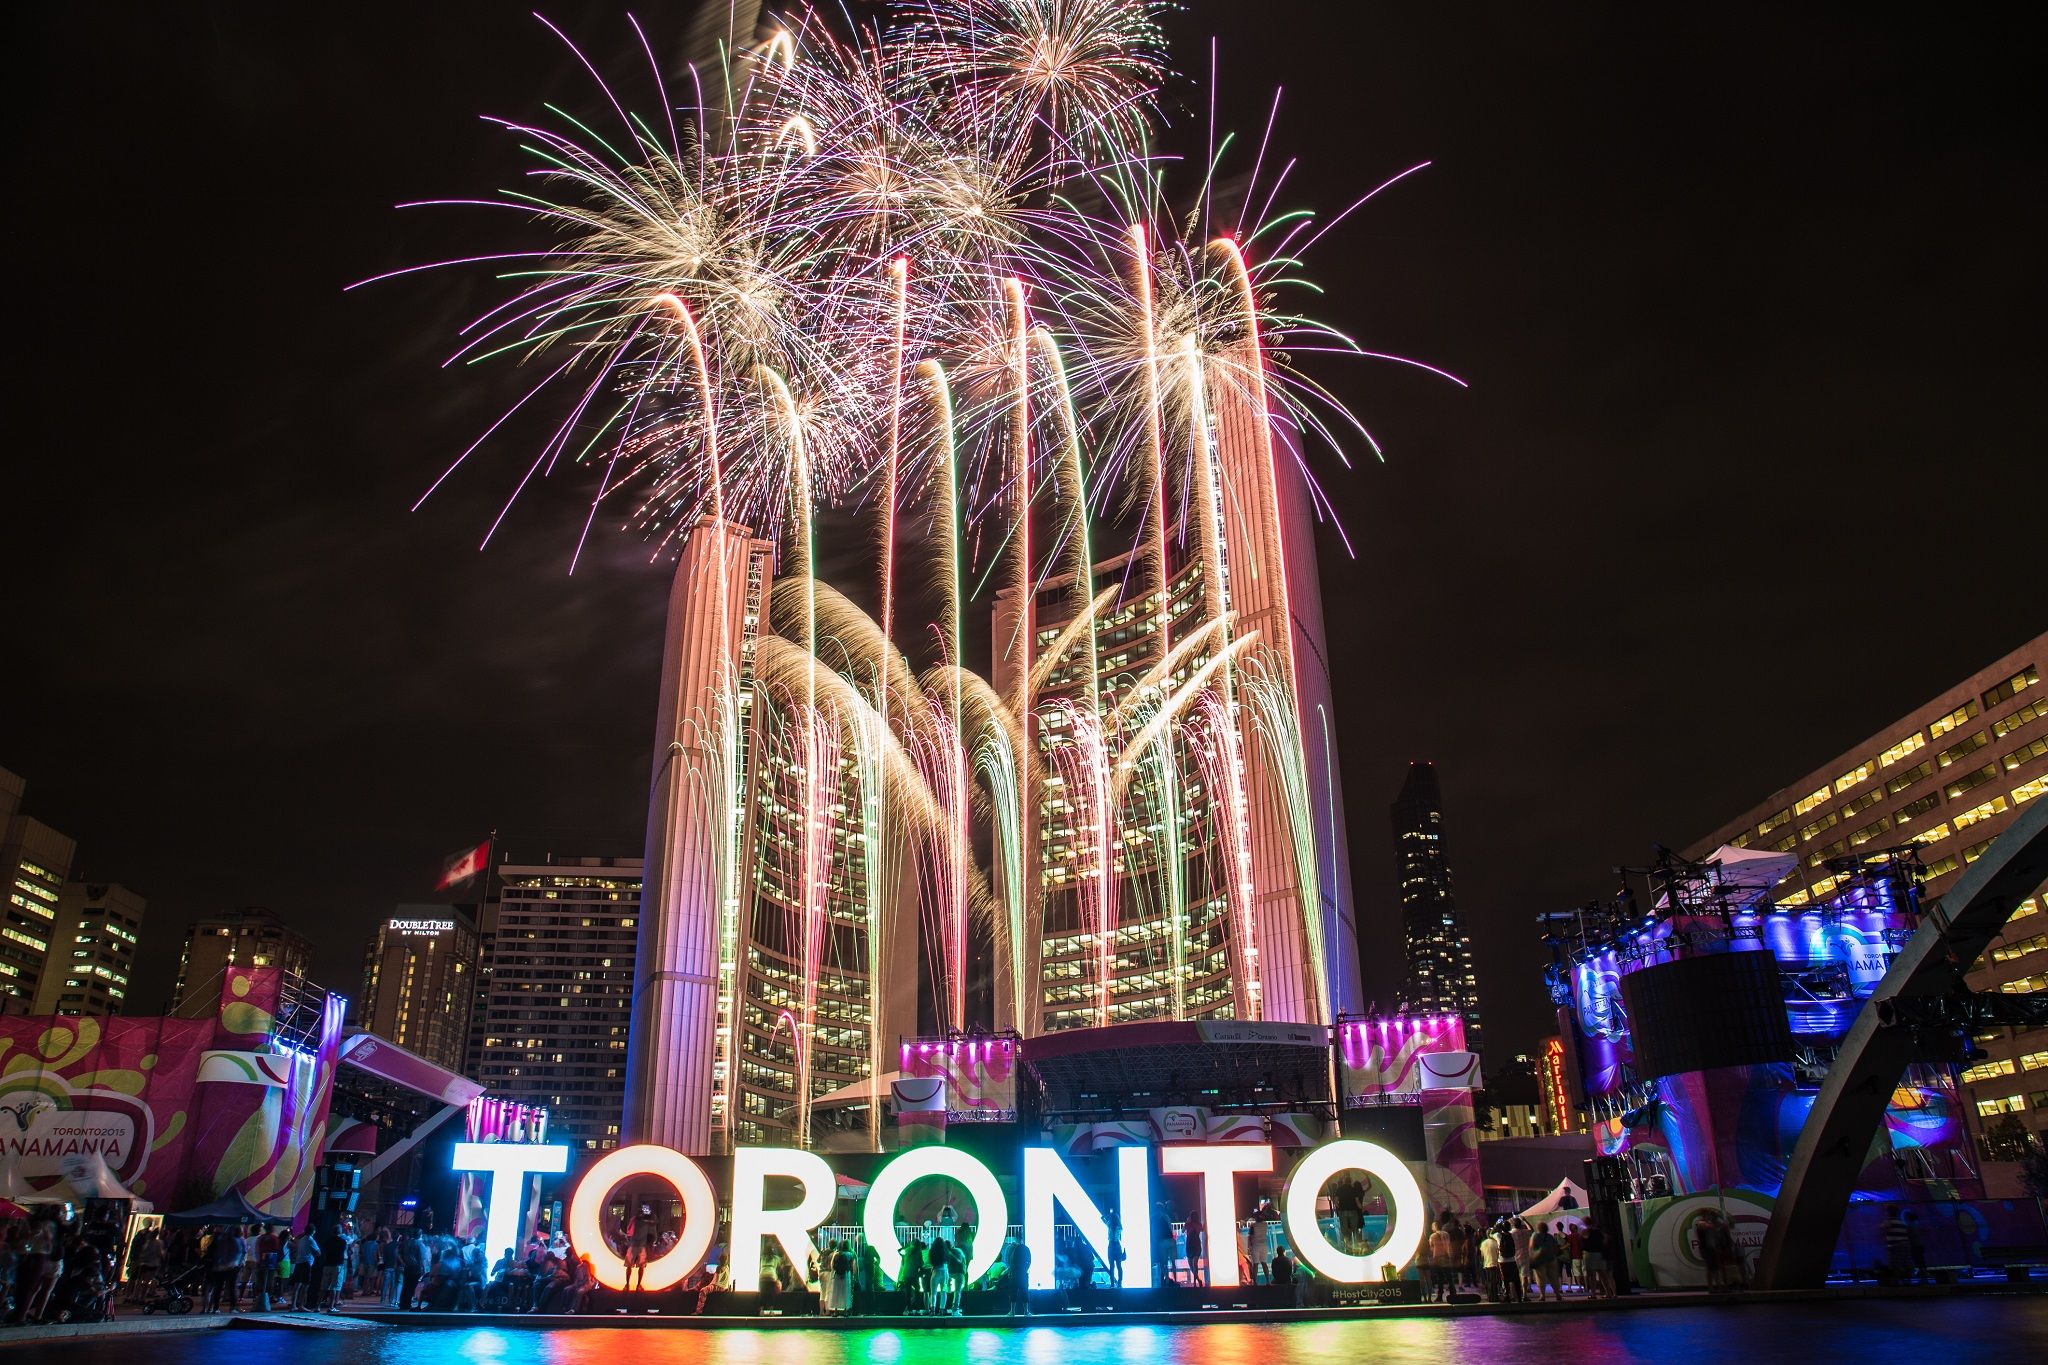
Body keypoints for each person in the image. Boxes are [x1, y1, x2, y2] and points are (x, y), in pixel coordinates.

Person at [1529, 1222, 1561, 1302]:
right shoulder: (1550, 1236)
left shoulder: (1535, 1236)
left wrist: (1532, 1257)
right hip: (1551, 1259)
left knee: (1541, 1278)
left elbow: (1531, 1247)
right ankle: (1557, 1294)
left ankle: (1542, 1295)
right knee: (1554, 1278)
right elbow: (1555, 1248)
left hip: (1540, 1260)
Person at [1582, 1223, 1613, 1300]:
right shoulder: (1599, 1233)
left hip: (1591, 1254)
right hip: (1600, 1254)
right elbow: (1606, 1239)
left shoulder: (1587, 1231)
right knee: (1603, 1275)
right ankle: (1608, 1293)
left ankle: (1593, 1294)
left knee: (1592, 1276)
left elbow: (1584, 1240)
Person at [1495, 1219, 1521, 1303]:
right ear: (1509, 1227)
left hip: (1502, 1261)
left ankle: (1507, 1296)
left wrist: (1498, 1226)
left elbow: (1491, 1233)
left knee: (1505, 1279)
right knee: (1516, 1279)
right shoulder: (1512, 1235)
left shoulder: (1498, 1235)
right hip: (1512, 1259)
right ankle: (1519, 1297)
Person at [1005, 1236, 1031, 1316]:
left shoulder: (1011, 1248)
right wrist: (1025, 1269)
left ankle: (1013, 1312)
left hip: (1015, 1273)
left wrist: (1010, 1270)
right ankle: (1025, 1311)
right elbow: (1029, 1261)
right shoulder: (1025, 1248)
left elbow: (1008, 1260)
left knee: (1013, 1292)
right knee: (1024, 1292)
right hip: (1022, 1273)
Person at [1479, 1225, 1501, 1301]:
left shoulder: (1483, 1243)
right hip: (1495, 1264)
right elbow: (1498, 1253)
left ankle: (1490, 1297)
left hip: (1486, 1264)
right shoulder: (1495, 1243)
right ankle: (1495, 1297)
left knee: (1489, 1281)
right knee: (1495, 1281)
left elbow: (1482, 1255)